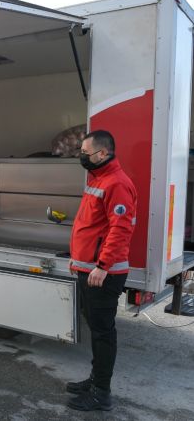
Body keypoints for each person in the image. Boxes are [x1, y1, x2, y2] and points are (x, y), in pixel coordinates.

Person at [66, 130, 137, 412]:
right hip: (89, 270)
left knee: (102, 332)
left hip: (102, 274)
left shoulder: (117, 183)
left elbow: (121, 230)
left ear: (103, 153)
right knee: (96, 328)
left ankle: (101, 394)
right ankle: (95, 380)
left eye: (86, 152)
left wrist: (102, 266)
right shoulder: (100, 179)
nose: (82, 156)